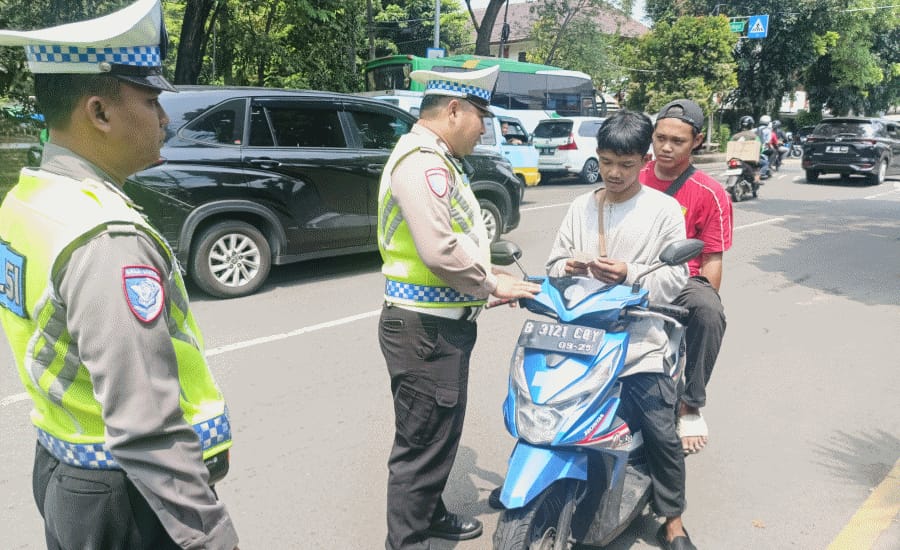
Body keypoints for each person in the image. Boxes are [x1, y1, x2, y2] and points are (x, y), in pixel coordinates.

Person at [0, 2, 239, 549]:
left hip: (67, 469)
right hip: (132, 499)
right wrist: (213, 537)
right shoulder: (107, 238)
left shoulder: (28, 200)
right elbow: (146, 426)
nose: (164, 119)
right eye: (152, 102)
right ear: (100, 113)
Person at [377, 65, 541, 550]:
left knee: (438, 434)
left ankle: (430, 514)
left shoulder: (439, 160)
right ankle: (406, 541)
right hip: (425, 330)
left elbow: (459, 237)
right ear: (454, 111)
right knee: (420, 446)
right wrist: (490, 283)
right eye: (481, 118)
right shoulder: (422, 164)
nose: (484, 129)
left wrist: (493, 271)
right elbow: (440, 251)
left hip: (438, 327)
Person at [544, 110, 695, 550]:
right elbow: (553, 264)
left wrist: (629, 272)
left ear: (644, 161)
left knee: (660, 427)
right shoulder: (581, 207)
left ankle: (673, 519)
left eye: (626, 165)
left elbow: (676, 278)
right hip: (582, 338)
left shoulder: (663, 210)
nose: (614, 173)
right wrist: (568, 267)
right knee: (545, 406)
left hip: (639, 341)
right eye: (607, 162)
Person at [640, 99, 733, 457]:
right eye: (660, 138)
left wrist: (705, 299)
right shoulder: (633, 175)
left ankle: (690, 404)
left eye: (677, 141)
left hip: (681, 279)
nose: (666, 147)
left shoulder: (710, 193)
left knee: (709, 312)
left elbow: (712, 259)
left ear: (697, 141)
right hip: (630, 271)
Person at [730, 115, 765, 182]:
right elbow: (759, 148)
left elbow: (730, 146)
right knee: (761, 164)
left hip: (735, 158)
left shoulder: (735, 136)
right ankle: (757, 180)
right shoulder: (754, 136)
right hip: (749, 160)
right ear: (751, 125)